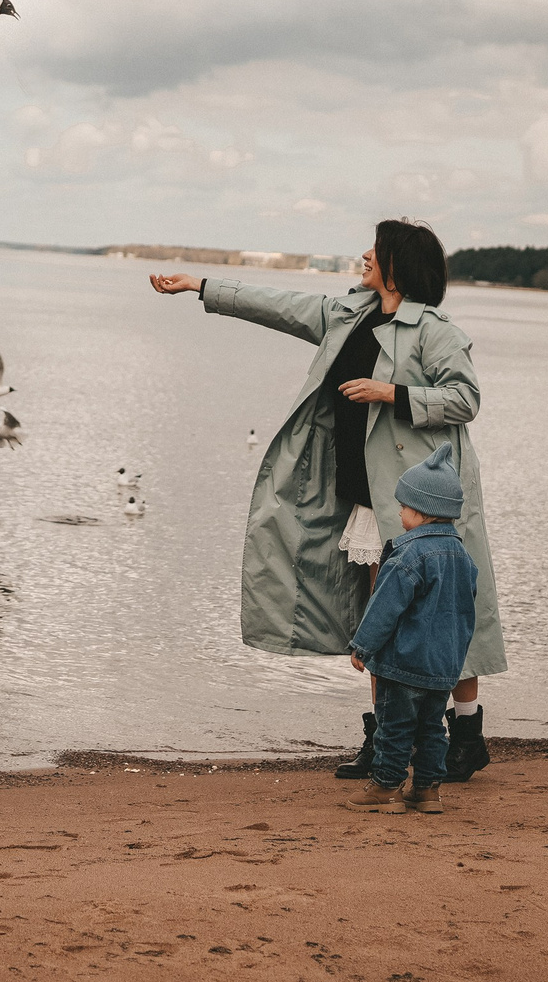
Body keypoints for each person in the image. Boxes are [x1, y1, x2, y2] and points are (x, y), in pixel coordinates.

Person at [147, 218, 503, 781]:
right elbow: (278, 303)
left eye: (375, 249)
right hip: (365, 497)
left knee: (446, 618)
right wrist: (200, 286)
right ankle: (385, 736)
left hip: (422, 498)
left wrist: (390, 393)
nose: (364, 255)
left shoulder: (434, 330)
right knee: (378, 618)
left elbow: (466, 398)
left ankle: (465, 734)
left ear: (398, 264)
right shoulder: (348, 315)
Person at [345, 442, 476, 812]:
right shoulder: (463, 556)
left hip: (403, 664)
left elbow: (384, 606)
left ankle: (387, 787)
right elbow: (466, 612)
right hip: (442, 666)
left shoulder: (408, 554)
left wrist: (363, 646)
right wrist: (455, 655)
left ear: (421, 511)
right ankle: (428, 790)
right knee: (433, 728)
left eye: (403, 506)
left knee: (394, 727)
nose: (399, 512)